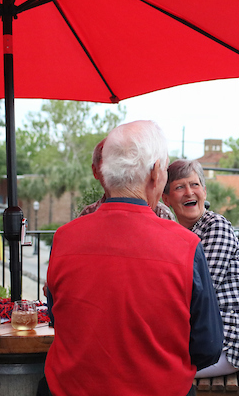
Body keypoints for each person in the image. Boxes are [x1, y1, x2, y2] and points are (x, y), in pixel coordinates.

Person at [44, 121, 224, 396]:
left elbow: (59, 320)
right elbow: (208, 347)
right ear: (155, 173)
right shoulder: (185, 245)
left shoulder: (64, 238)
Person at [162, 159, 239, 378]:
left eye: (194, 185)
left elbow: (200, 291)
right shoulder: (178, 232)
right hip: (201, 341)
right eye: (179, 187)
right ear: (166, 199)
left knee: (151, 373)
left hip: (225, 345)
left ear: (204, 190)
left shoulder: (216, 226)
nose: (188, 192)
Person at [78, 137, 174, 220]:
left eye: (120, 164)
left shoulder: (161, 213)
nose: (115, 171)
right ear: (95, 171)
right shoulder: (89, 213)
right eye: (108, 166)